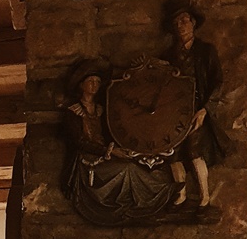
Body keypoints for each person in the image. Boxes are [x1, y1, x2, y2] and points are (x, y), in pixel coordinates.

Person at [61, 60, 173, 226]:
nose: (94, 85)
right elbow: (79, 142)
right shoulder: (73, 111)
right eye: (90, 81)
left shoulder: (100, 109)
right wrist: (109, 151)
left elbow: (111, 133)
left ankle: (158, 195)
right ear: (81, 85)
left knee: (133, 162)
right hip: (87, 162)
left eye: (97, 82)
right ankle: (153, 197)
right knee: (127, 169)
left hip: (104, 155)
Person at [161, 0, 227, 208]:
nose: (181, 25)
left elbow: (217, 81)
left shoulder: (205, 51)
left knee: (195, 151)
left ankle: (204, 195)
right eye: (177, 22)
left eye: (185, 20)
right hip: (173, 112)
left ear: (193, 23)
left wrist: (205, 109)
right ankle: (180, 194)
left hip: (196, 109)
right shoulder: (168, 55)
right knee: (174, 153)